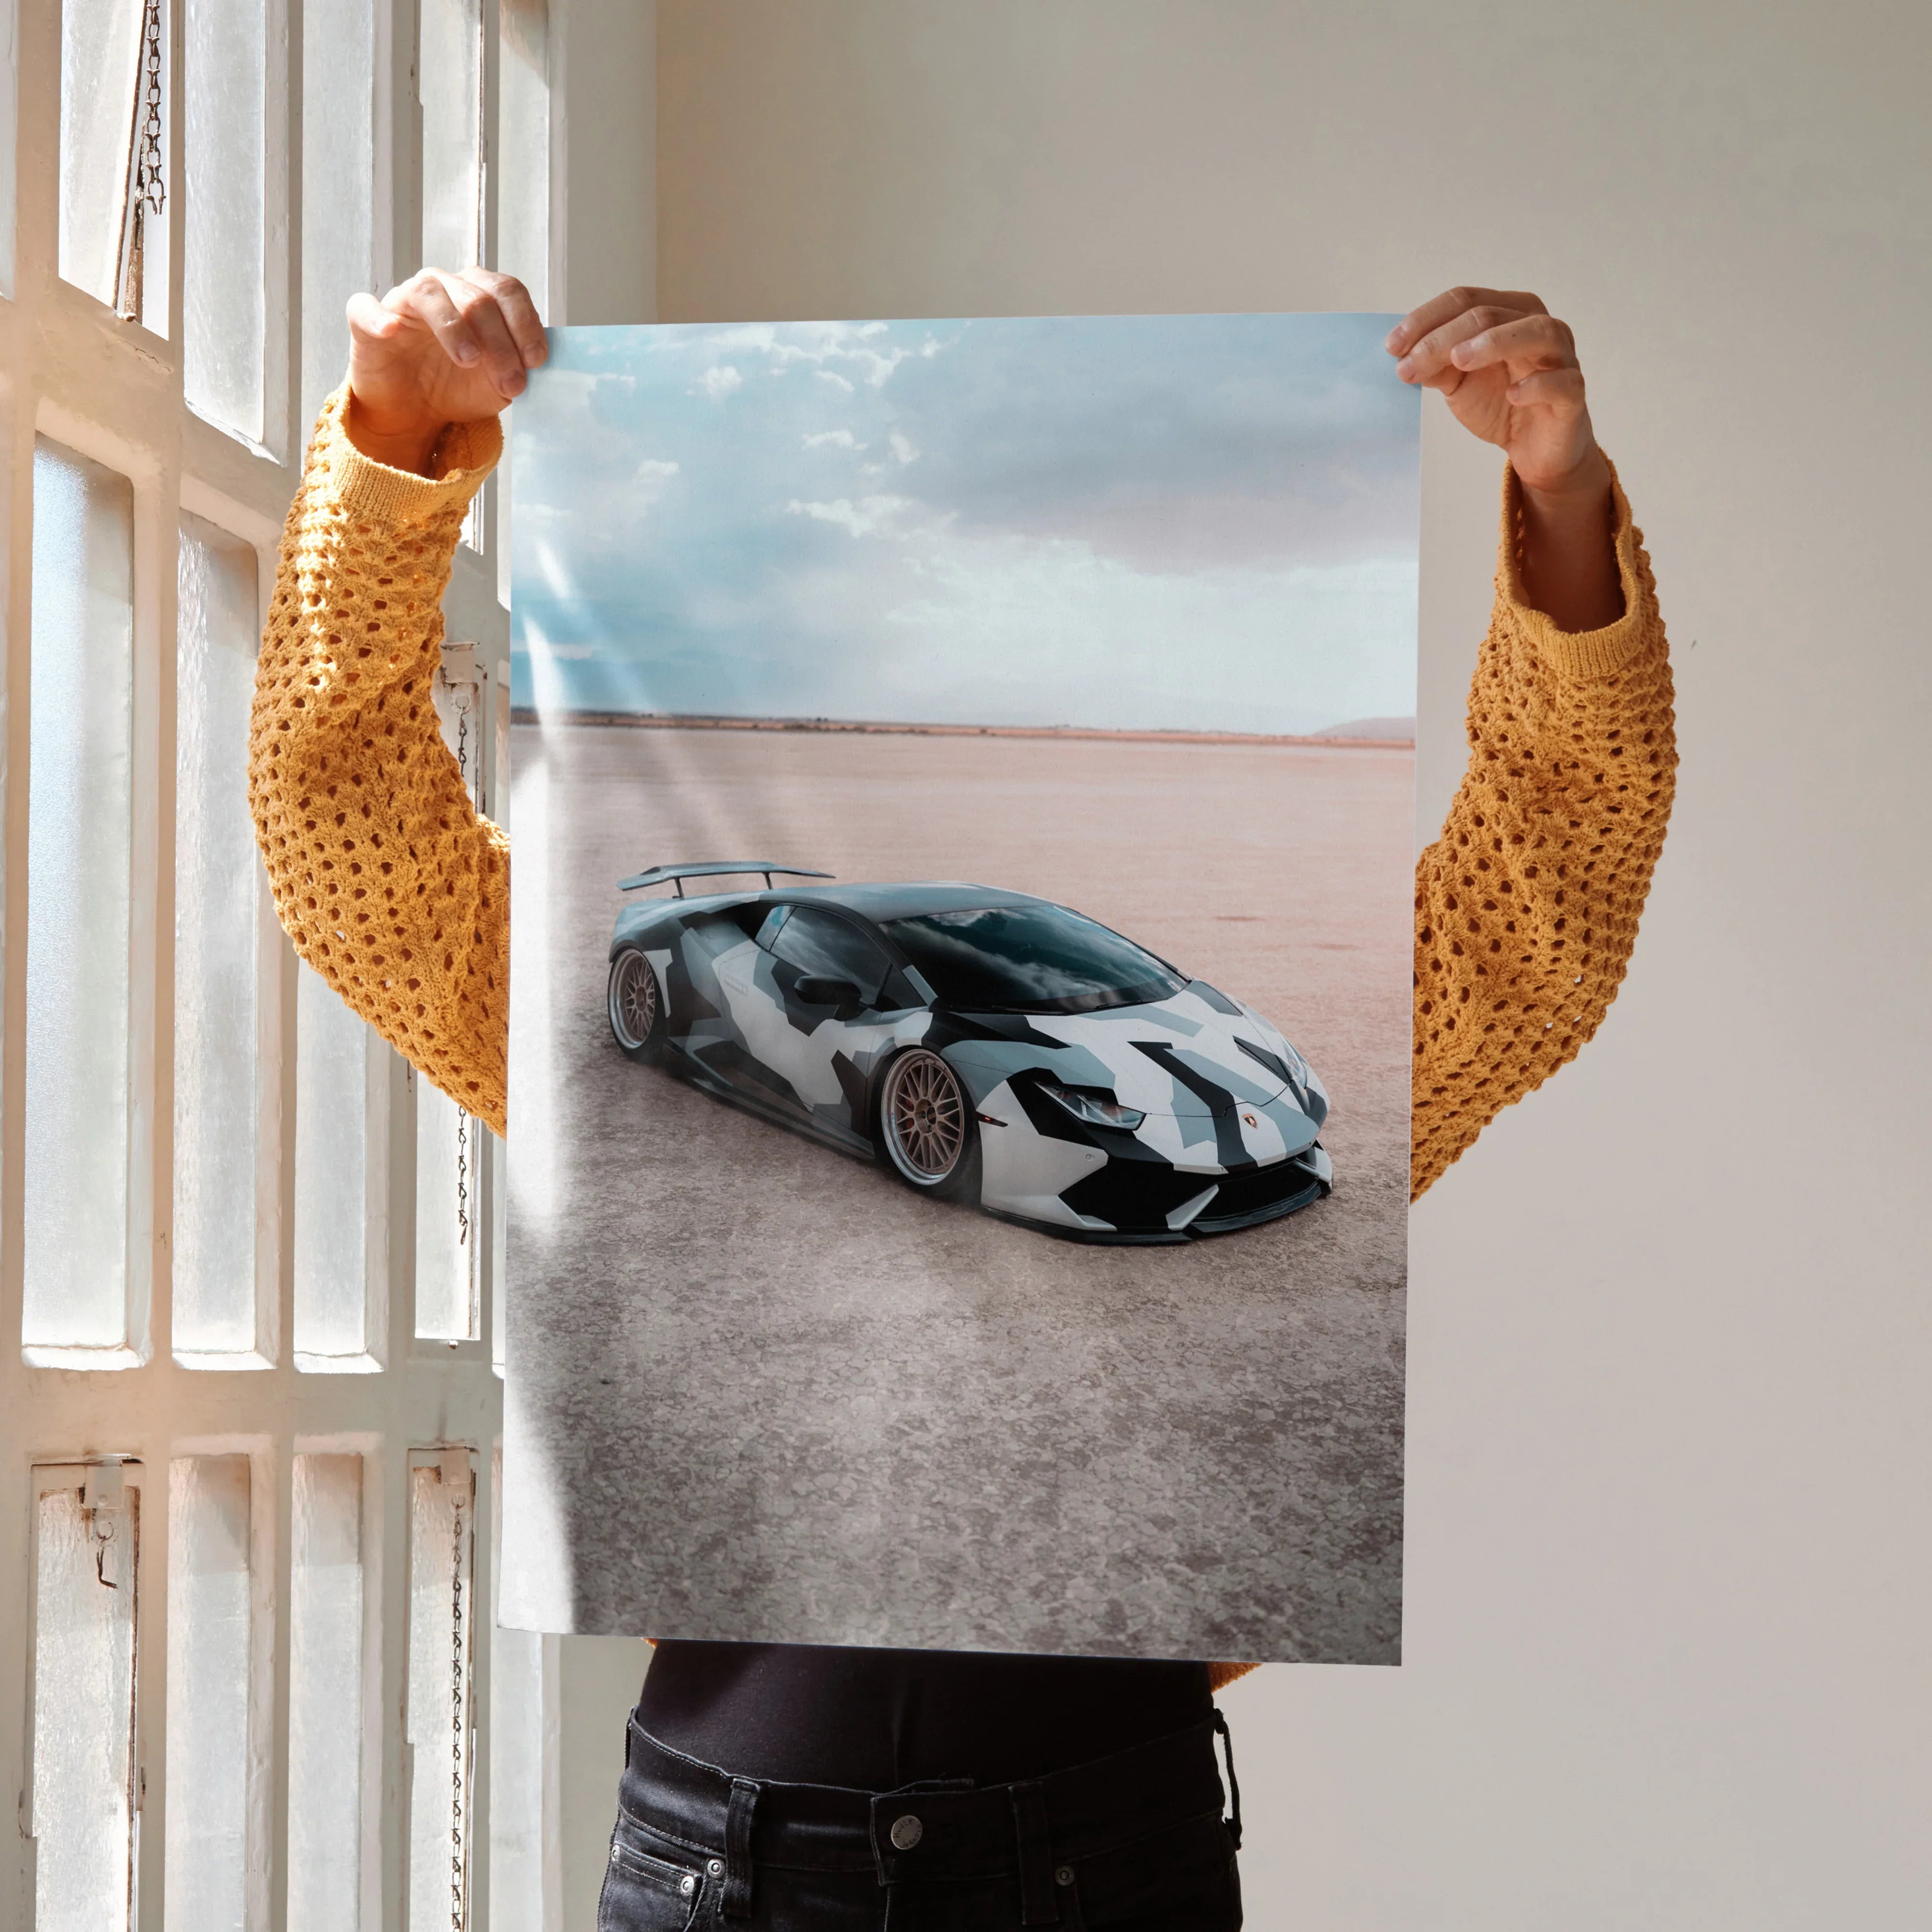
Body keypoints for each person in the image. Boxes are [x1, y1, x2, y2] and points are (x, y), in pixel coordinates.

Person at [250, 270, 1675, 1929]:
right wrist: (393, 446)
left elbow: (1543, 910)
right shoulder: (621, 1016)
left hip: (1103, 1850)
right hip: (730, 1863)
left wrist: (1560, 498)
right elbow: (348, 843)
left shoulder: (1240, 1065)